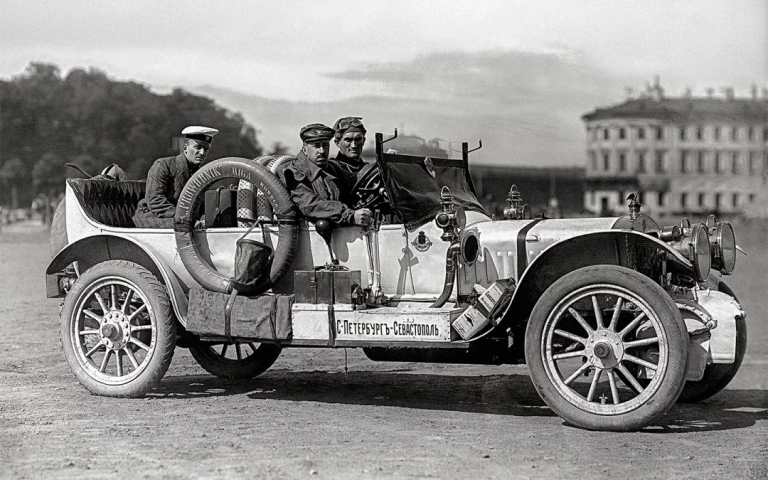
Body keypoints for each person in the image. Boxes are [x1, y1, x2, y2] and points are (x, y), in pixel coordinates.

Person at [280, 123, 372, 227]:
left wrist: (382, 170)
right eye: (316, 146)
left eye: (325, 145)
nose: (322, 151)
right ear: (305, 150)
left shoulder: (331, 167)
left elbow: (354, 181)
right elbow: (310, 204)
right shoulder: (293, 172)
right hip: (308, 234)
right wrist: (349, 215)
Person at [132, 126, 218, 228]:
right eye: (198, 147)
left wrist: (204, 220)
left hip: (183, 220)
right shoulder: (163, 165)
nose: (202, 152)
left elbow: (202, 205)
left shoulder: (201, 174)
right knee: (186, 227)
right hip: (152, 217)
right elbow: (155, 201)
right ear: (185, 148)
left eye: (206, 149)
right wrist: (186, 219)